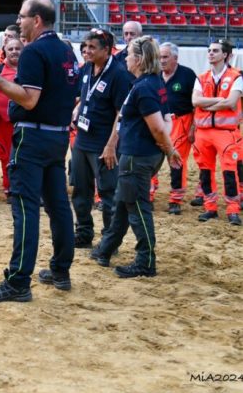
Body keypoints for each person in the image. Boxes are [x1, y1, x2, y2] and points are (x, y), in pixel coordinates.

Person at [0, 0, 80, 302]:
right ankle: (61, 270)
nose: (18, 21)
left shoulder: (35, 51)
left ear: (36, 20)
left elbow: (29, 98)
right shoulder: (66, 49)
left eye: (21, 16)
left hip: (32, 138)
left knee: (25, 208)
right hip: (57, 136)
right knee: (58, 206)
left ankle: (18, 281)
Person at [90, 36, 182, 277]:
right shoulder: (152, 83)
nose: (126, 58)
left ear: (139, 60)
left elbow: (158, 127)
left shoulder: (144, 88)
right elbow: (165, 122)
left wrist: (170, 150)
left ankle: (146, 261)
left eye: (129, 54)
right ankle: (105, 249)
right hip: (142, 155)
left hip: (137, 157)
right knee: (123, 202)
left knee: (138, 209)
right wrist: (167, 149)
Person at [70, 29, 132, 249]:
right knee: (80, 189)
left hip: (104, 144)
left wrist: (111, 145)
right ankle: (84, 233)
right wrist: (75, 109)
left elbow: (121, 113)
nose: (86, 51)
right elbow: (85, 95)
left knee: (107, 193)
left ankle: (109, 239)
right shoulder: (87, 67)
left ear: (106, 50)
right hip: (82, 140)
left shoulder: (119, 74)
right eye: (85, 47)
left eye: (92, 47)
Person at [191, 39, 242, 225]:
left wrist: (208, 103)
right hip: (203, 133)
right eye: (209, 50)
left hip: (226, 133)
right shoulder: (201, 77)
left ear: (226, 55)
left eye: (215, 51)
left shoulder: (237, 76)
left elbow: (231, 103)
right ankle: (210, 207)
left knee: (230, 173)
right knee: (205, 172)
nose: (210, 53)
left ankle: (233, 210)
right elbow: (195, 102)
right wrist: (219, 101)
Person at [158, 42, 197, 214]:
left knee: (177, 161)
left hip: (181, 123)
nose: (162, 60)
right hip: (158, 123)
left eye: (165, 57)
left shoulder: (187, 75)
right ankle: (148, 195)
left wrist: (193, 127)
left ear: (175, 58)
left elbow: (196, 104)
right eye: (159, 57)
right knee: (151, 158)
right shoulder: (155, 75)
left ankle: (175, 199)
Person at [0, 37, 22, 202]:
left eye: (18, 48)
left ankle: (24, 188)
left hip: (25, 122)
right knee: (6, 156)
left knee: (25, 156)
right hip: (4, 123)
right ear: (4, 52)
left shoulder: (30, 69)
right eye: (11, 49)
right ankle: (10, 189)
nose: (15, 51)